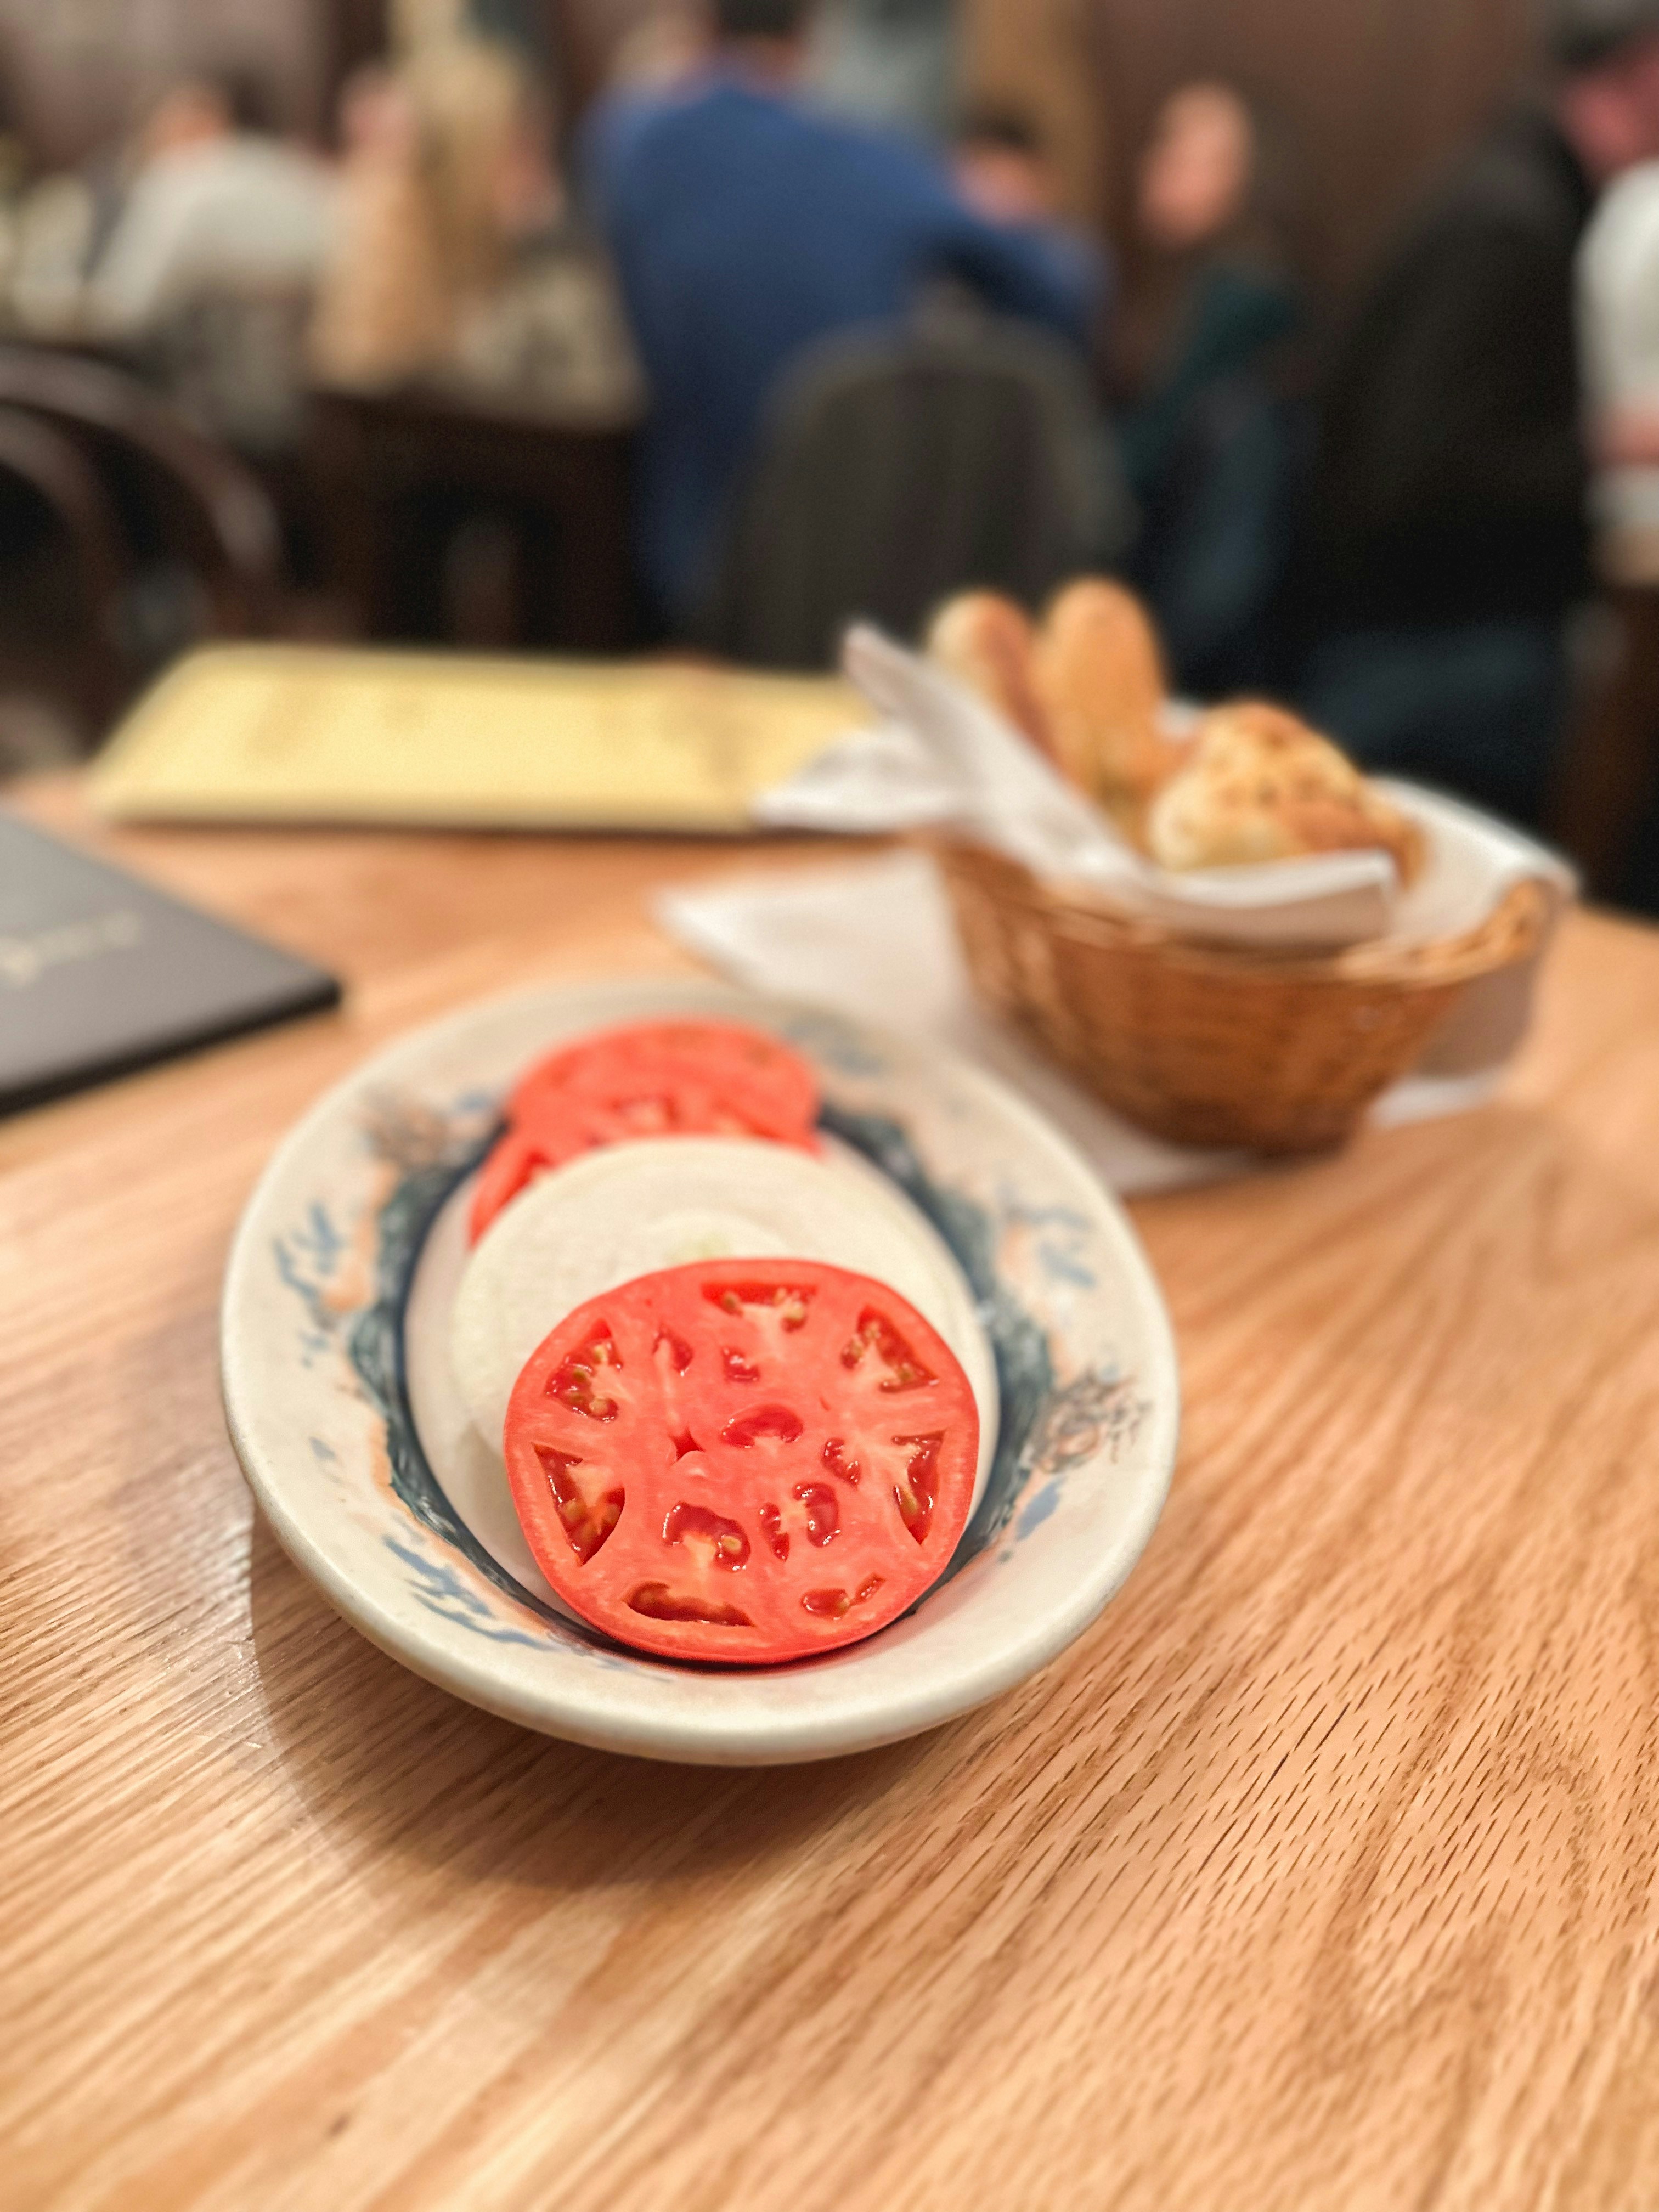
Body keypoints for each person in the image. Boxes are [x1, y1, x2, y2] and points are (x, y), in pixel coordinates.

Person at [582, 0, 1104, 629]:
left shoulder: (627, 142)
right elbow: (1064, 285)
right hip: (872, 575)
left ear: (697, 26)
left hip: (685, 569)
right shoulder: (873, 160)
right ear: (813, 35)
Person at [1298, 0, 1659, 827]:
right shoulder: (1511, 222)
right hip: (1431, 657)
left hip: (1426, 652)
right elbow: (1419, 474)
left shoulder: (1519, 196)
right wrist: (1610, 446)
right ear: (1644, 65)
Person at [1115, 82, 1305, 695]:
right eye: (1164, 145)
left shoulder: (1243, 295)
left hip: (1195, 633)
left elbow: (1145, 458)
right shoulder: (1174, 289)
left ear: (1249, 183)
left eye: (1196, 157)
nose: (1164, 165)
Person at [85, 75, 334, 342]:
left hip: (207, 356)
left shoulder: (177, 180)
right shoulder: (294, 169)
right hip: (308, 348)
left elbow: (124, 308)